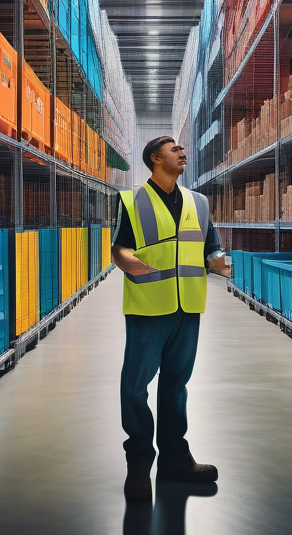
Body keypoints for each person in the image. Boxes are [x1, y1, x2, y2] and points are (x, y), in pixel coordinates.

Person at [112, 136, 232, 502]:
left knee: (176, 386)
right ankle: (138, 463)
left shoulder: (199, 201)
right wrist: (130, 263)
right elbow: (119, 247)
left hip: (189, 304)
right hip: (150, 306)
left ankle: (175, 459)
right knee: (136, 385)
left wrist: (218, 259)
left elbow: (211, 243)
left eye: (182, 149)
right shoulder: (132, 200)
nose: (183, 153)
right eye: (174, 149)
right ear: (155, 158)